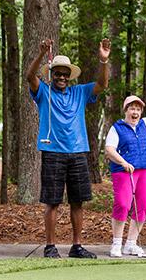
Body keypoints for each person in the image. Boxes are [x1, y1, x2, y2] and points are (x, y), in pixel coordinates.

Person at [26, 38, 111, 259]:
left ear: (69, 76)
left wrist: (103, 61)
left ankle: (76, 246)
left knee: (77, 201)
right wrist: (41, 55)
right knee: (52, 201)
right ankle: (50, 246)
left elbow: (102, 85)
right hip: (53, 152)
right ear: (52, 75)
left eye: (65, 74)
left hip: (78, 152)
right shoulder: (44, 92)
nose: (62, 77)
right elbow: (29, 77)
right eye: (58, 74)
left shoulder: (80, 92)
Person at [105, 83, 146, 258]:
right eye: (131, 109)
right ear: (126, 110)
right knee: (123, 204)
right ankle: (116, 243)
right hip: (123, 171)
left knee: (142, 206)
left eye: (137, 109)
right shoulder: (117, 127)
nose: (135, 112)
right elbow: (109, 150)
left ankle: (131, 244)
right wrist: (123, 162)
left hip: (144, 171)